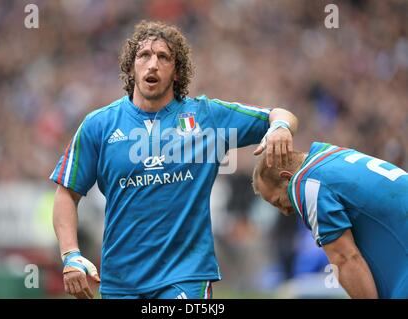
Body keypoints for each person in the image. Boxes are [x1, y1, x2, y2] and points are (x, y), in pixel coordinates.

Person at [50, 20, 298, 299]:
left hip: (185, 278)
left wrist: (280, 128)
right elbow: (66, 194)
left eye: (163, 57)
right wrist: (71, 255)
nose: (152, 64)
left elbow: (280, 114)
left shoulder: (207, 117)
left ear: (177, 72)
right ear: (132, 67)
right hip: (120, 282)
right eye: (144, 55)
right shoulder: (99, 125)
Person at [252, 141, 408, 298]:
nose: (284, 212)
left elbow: (345, 258)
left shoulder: (308, 183)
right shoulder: (333, 154)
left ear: (287, 178)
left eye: (278, 202)